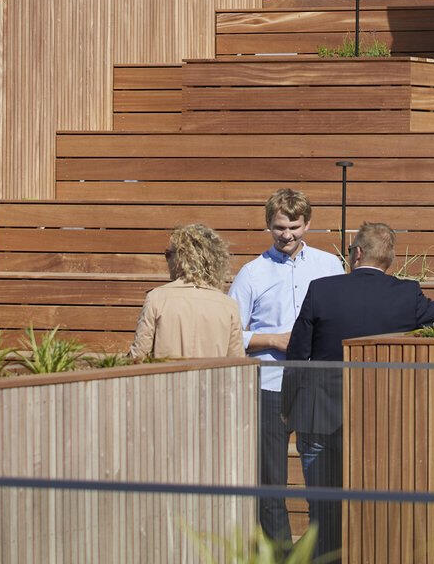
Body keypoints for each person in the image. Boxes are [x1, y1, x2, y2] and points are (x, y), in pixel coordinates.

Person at [285, 222, 434, 561]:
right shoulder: (406, 293)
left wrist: (288, 410)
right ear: (390, 260)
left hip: (319, 416)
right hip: (379, 419)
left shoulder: (321, 289)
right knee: (374, 508)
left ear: (356, 253)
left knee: (324, 513)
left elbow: (297, 354)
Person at [228, 188, 347, 555]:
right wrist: (272, 340)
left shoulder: (329, 266)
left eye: (295, 226)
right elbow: (231, 332)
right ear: (268, 226)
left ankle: (321, 552)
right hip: (270, 384)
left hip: (316, 385)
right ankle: (279, 557)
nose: (288, 235)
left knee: (324, 480)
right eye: (280, 227)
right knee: (272, 481)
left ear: (307, 223)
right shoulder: (251, 273)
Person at [131, 223, 245, 362]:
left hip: (167, 382)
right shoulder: (228, 306)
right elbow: (237, 364)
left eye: (168, 254)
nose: (167, 261)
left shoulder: (156, 298)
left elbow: (138, 357)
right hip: (211, 383)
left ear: (181, 258)